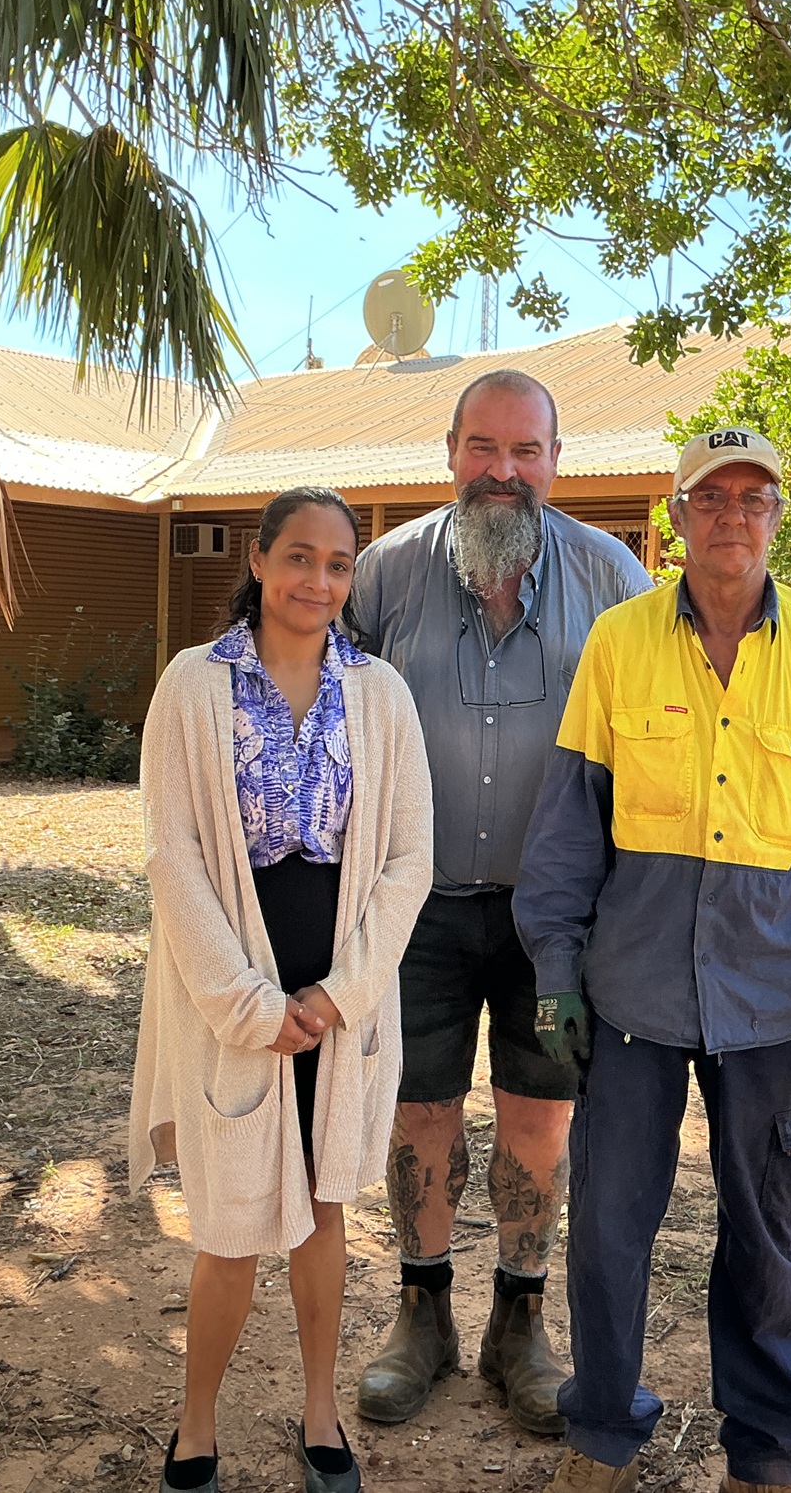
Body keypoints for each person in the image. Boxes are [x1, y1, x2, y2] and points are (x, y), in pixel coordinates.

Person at [513, 427, 791, 1493]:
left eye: (754, 497)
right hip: (629, 997)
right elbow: (566, 832)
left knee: (764, 1235)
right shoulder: (619, 641)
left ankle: (766, 1449)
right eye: (711, 496)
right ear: (674, 519)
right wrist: (554, 974)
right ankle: (599, 1430)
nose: (733, 514)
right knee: (604, 1226)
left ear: (777, 516)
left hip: (768, 1002)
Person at [345, 370, 653, 1434]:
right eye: (483, 448)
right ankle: (419, 1313)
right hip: (412, 901)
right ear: (449, 452)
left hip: (553, 915)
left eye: (525, 452)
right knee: (416, 1109)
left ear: (555, 463)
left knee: (537, 1116)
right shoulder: (381, 575)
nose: (502, 472)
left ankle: (518, 1324)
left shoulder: (611, 576)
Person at [128, 486, 434, 1493]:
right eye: (298, 557)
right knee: (227, 1229)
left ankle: (317, 1411)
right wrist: (253, 1007)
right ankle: (195, 1425)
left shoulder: (379, 694)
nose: (317, 580)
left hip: (339, 1006)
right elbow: (172, 856)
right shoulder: (192, 685)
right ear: (258, 562)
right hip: (233, 998)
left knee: (322, 1206)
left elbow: (405, 862)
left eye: (338, 564)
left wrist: (338, 996)